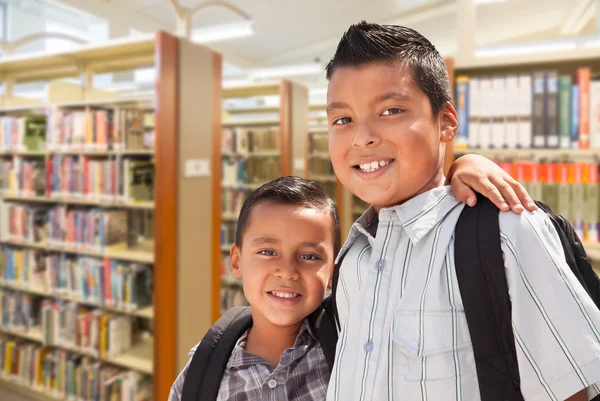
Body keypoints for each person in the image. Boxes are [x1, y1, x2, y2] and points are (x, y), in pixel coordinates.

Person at [325, 21, 600, 401]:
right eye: (343, 119)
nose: (362, 136)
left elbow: (570, 393)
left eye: (391, 110)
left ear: (446, 122)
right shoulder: (352, 257)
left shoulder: (508, 231)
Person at [168, 159, 534, 401]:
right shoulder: (202, 374)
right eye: (267, 252)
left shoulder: (356, 342)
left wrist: (464, 164)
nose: (287, 271)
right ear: (236, 261)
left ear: (335, 271)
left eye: (310, 256)